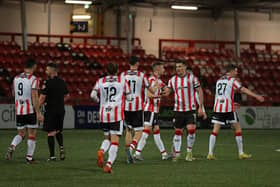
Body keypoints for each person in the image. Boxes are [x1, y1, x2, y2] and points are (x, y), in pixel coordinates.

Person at [207, 64, 264, 160]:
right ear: (231, 71)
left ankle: (210, 153)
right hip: (228, 108)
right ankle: (241, 153)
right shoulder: (233, 81)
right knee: (238, 129)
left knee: (215, 130)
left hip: (218, 107)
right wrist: (256, 96)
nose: (237, 73)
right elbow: (243, 89)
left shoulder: (219, 80)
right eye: (236, 71)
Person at [91, 62, 131, 173]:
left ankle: (101, 150)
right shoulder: (122, 81)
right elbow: (130, 97)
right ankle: (108, 165)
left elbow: (92, 95)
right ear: (117, 70)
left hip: (104, 114)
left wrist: (99, 101)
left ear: (107, 71)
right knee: (115, 141)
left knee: (107, 138)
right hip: (116, 114)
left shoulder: (101, 81)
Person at [162, 60, 204, 162]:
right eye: (177, 67)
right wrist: (161, 92)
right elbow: (167, 92)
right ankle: (177, 154)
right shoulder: (172, 80)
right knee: (178, 132)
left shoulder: (192, 78)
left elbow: (200, 91)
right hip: (178, 110)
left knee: (191, 131)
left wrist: (200, 107)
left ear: (185, 67)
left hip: (190, 109)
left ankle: (189, 153)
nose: (178, 69)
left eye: (180, 66)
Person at [5, 59, 43, 164]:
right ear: (34, 66)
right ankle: (29, 158)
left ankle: (12, 146)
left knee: (21, 133)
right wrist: (38, 112)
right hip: (30, 110)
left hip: (19, 110)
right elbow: (35, 96)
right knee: (32, 134)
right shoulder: (34, 79)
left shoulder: (16, 78)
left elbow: (13, 93)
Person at [120, 56, 156, 164]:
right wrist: (157, 88)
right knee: (139, 130)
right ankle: (131, 149)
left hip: (126, 105)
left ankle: (128, 149)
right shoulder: (141, 75)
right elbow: (151, 89)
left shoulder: (123, 75)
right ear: (137, 64)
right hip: (137, 106)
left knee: (128, 130)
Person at [134, 62, 170, 161]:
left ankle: (164, 154)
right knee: (146, 132)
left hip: (154, 110)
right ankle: (137, 153)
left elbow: (166, 89)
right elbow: (149, 95)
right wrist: (161, 95)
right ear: (157, 70)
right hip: (150, 109)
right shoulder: (151, 80)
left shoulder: (158, 81)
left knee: (156, 131)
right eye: (163, 68)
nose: (164, 69)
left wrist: (167, 90)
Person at [39, 63, 69, 161]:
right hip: (61, 110)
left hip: (51, 110)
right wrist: (60, 102)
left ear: (52, 71)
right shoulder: (62, 82)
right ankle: (61, 147)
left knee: (51, 133)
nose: (45, 71)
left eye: (47, 70)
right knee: (58, 130)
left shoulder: (47, 83)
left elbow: (42, 97)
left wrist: (36, 107)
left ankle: (52, 156)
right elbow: (67, 96)